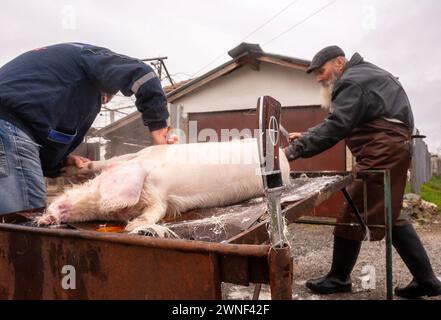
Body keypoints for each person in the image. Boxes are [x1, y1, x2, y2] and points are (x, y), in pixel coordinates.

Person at [284, 45, 441, 299]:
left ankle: (338, 278)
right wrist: (308, 136)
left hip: (382, 152)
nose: (318, 78)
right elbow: (347, 122)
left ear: (339, 62)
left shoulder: (352, 82)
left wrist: (293, 151)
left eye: (321, 71)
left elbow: (337, 125)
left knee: (353, 211)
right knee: (390, 213)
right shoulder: (364, 76)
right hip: (390, 149)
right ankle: (427, 280)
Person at [0, 43, 174, 215]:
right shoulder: (89, 58)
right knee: (26, 222)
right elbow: (143, 75)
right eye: (104, 97)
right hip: (6, 128)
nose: (104, 101)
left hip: (9, 131)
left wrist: (60, 163)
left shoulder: (51, 82)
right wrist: (160, 133)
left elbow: (42, 136)